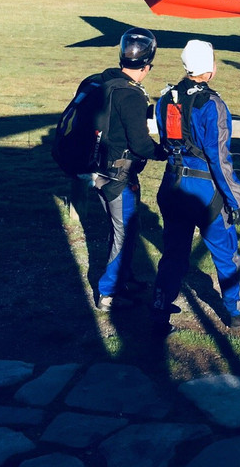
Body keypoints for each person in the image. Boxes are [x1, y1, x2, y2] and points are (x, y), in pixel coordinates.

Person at [151, 39, 240, 335]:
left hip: (172, 183)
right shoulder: (212, 105)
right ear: (210, 69)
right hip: (205, 190)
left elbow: (165, 142)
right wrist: (237, 200)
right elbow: (219, 158)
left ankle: (159, 309)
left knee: (173, 253)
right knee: (225, 253)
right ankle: (237, 311)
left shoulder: (165, 99)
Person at [89, 27, 166, 311]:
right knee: (124, 234)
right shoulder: (131, 95)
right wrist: (165, 152)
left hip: (99, 170)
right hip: (119, 176)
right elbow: (141, 144)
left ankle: (124, 279)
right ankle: (108, 293)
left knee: (123, 230)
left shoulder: (106, 82)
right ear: (147, 66)